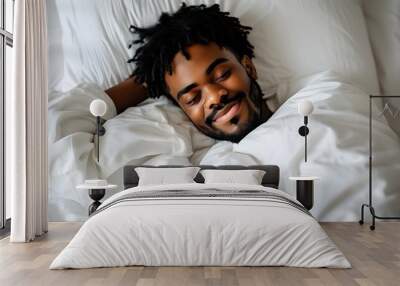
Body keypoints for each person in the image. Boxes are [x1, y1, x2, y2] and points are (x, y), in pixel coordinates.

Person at [105, 3, 274, 143]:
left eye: (222, 75)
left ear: (249, 67)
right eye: (192, 99)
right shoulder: (195, 166)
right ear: (183, 111)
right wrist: (147, 79)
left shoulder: (298, 105)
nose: (214, 97)